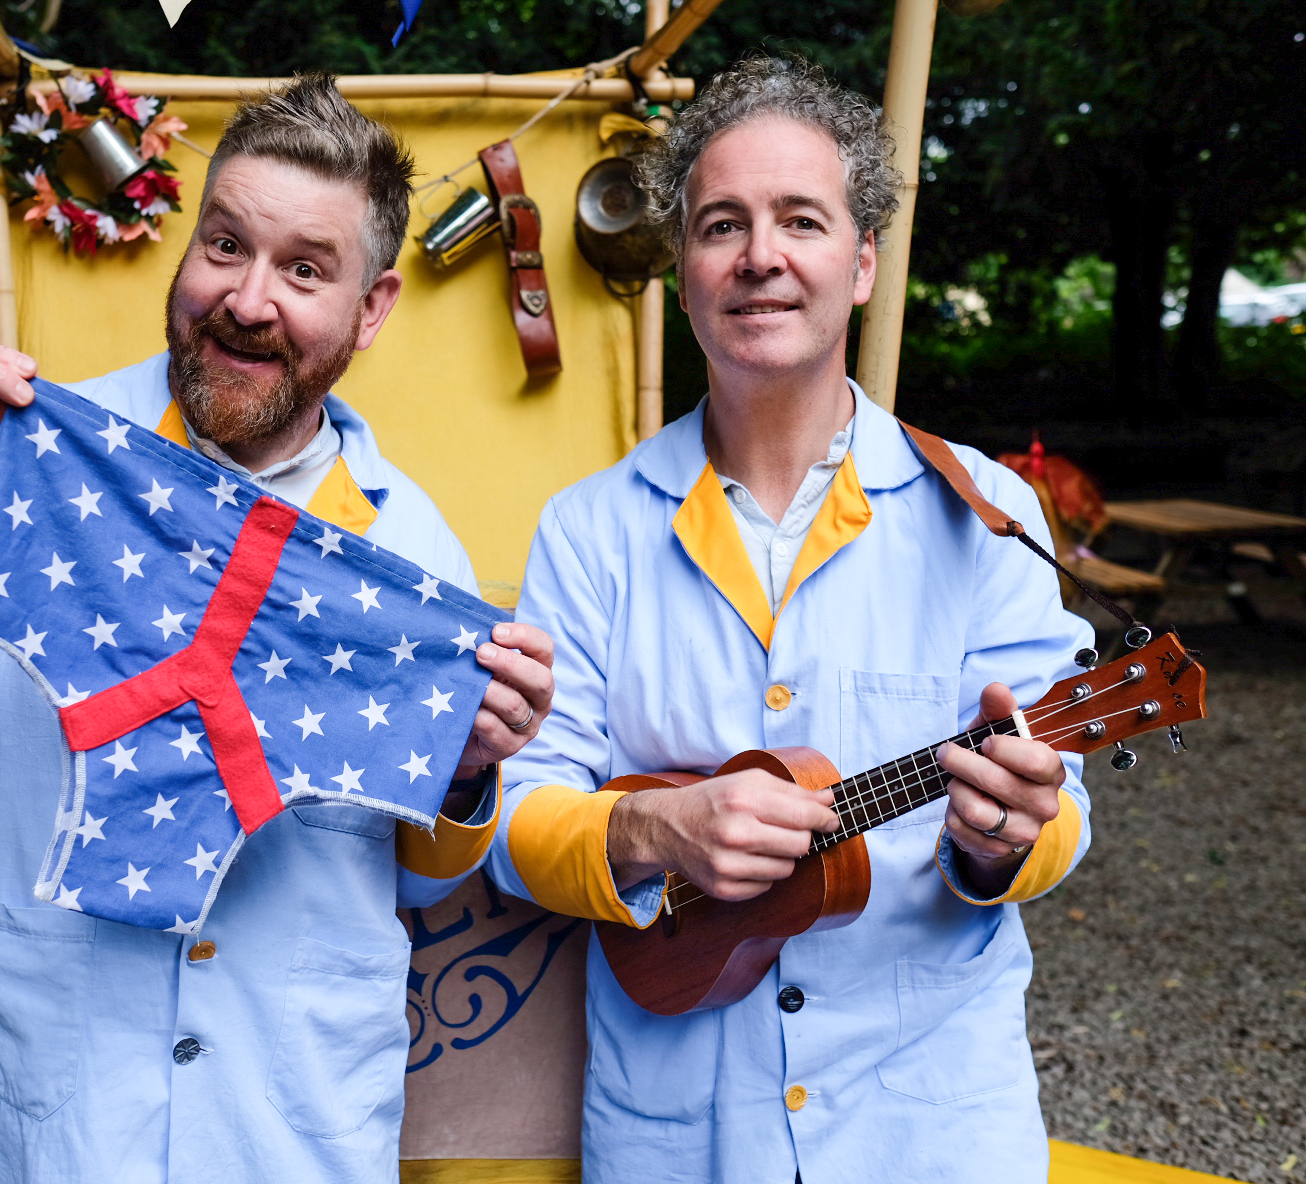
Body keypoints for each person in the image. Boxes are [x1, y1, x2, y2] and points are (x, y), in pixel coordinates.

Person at [0, 75, 554, 1183]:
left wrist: (469, 773)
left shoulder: (410, 548)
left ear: (372, 308)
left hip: (282, 1129)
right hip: (40, 1114)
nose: (249, 298)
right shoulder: (26, 466)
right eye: (225, 245)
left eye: (305, 270)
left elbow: (419, 881)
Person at [486, 57, 1094, 1182]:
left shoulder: (990, 515)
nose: (760, 255)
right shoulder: (589, 529)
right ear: (681, 267)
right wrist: (651, 831)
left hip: (925, 1129)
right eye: (723, 224)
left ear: (861, 264)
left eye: (800, 220)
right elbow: (515, 819)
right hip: (679, 1135)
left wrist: (1006, 835)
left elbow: (1059, 809)